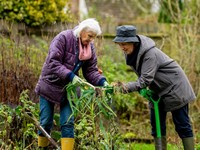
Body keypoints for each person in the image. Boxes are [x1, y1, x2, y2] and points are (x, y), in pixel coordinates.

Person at [113, 25, 196, 150]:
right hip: (157, 90)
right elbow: (143, 77)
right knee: (156, 125)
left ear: (133, 42)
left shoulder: (149, 53)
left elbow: (145, 79)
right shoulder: (131, 53)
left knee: (182, 125)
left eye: (125, 43)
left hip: (175, 87)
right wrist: (142, 89)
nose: (122, 47)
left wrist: (125, 87)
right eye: (120, 44)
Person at [35, 18, 109, 150]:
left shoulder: (89, 47)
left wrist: (103, 82)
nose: (91, 40)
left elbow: (90, 70)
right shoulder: (63, 38)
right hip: (50, 84)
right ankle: (42, 148)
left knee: (68, 123)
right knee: (45, 122)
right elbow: (53, 62)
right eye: (90, 36)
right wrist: (71, 75)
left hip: (69, 89)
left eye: (94, 38)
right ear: (82, 31)